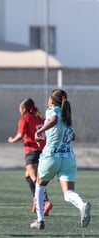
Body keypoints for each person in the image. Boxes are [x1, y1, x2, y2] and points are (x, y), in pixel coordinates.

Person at [31, 89, 91, 230]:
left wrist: (39, 132)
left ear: (52, 101)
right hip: (68, 158)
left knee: (40, 186)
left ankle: (40, 220)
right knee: (68, 193)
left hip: (51, 156)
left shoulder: (53, 111)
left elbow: (53, 120)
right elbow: (72, 136)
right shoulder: (67, 116)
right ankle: (81, 205)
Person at [8, 98, 53, 216]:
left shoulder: (25, 119)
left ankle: (45, 201)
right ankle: (36, 200)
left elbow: (20, 135)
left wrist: (12, 140)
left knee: (36, 179)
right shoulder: (40, 118)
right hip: (42, 151)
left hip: (32, 153)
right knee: (28, 176)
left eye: (20, 108)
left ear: (24, 109)